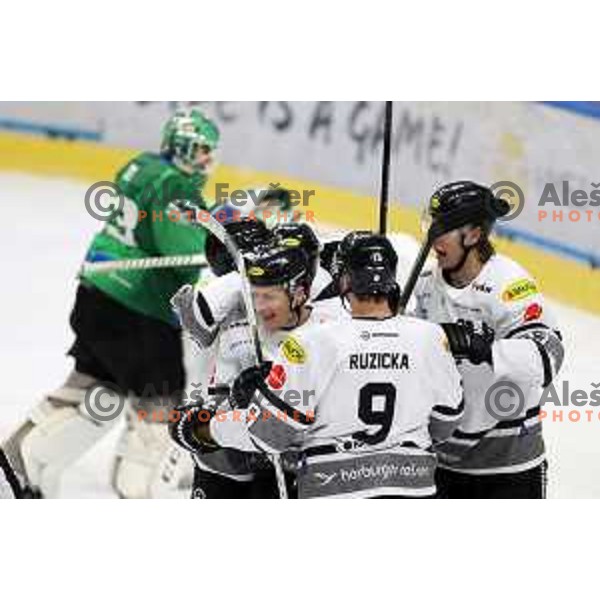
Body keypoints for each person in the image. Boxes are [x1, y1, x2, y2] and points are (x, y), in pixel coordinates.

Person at [0, 108, 219, 498]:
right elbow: (185, 252)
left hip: (96, 294)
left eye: (208, 150)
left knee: (92, 392)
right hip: (138, 312)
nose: (204, 158)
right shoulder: (177, 189)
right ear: (179, 147)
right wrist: (221, 243)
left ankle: (17, 462)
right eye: (199, 149)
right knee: (160, 403)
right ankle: (136, 489)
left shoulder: (142, 166)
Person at [178, 232, 464, 499]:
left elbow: (270, 434)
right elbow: (447, 423)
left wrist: (202, 430)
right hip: (414, 489)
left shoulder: (311, 343)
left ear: (343, 281)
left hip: (335, 490)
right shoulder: (431, 336)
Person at [414, 181, 565, 498]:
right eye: (430, 225)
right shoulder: (426, 283)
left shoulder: (508, 284)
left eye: (442, 229)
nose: (431, 238)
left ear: (473, 235)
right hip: (442, 464)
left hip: (509, 466)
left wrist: (484, 346)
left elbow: (548, 356)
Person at [171, 241, 344, 498]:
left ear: (299, 293)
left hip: (300, 470)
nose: (259, 307)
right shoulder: (241, 324)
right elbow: (217, 403)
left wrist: (271, 400)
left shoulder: (331, 333)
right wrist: (205, 419)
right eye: (254, 295)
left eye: (269, 296)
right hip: (240, 455)